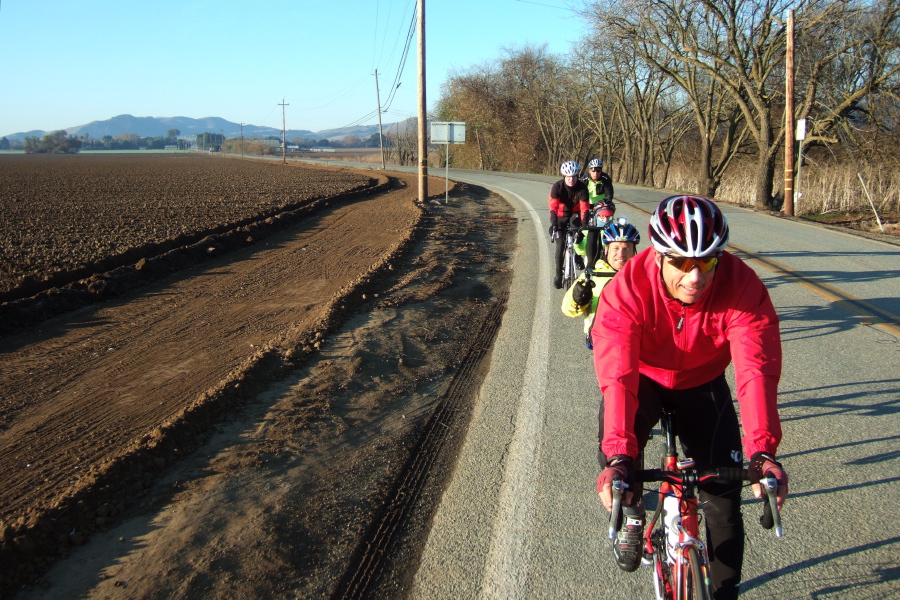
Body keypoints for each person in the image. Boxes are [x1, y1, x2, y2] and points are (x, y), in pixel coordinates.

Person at [592, 195, 788, 600]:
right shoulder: (627, 289)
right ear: (659, 256)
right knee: (621, 462)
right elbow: (618, 378)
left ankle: (724, 591)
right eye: (680, 263)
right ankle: (632, 513)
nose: (694, 277)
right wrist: (618, 458)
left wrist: (763, 452)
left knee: (723, 502)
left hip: (703, 382)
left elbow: (756, 372)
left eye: (707, 262)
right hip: (644, 379)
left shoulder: (742, 287)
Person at [561, 217, 640, 350]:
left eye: (627, 248)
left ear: (634, 252)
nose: (621, 254)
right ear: (607, 250)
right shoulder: (593, 275)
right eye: (616, 248)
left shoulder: (642, 276)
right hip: (602, 342)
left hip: (635, 342)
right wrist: (578, 300)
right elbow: (567, 310)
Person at [549, 160, 590, 289]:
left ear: (577, 176)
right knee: (560, 243)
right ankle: (558, 275)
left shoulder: (582, 187)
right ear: (564, 177)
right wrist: (554, 224)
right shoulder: (557, 187)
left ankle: (577, 257)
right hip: (561, 216)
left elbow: (585, 208)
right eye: (568, 177)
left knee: (578, 233)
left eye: (573, 176)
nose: (571, 179)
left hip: (575, 215)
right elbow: (553, 208)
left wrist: (584, 225)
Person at [582, 158, 615, 270]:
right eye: (593, 170)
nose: (596, 173)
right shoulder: (585, 179)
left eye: (598, 171)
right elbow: (581, 195)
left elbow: (609, 195)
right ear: (589, 170)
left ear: (601, 171)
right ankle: (584, 258)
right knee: (588, 229)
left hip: (601, 206)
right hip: (588, 205)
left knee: (607, 227)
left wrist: (604, 205)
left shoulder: (605, 179)